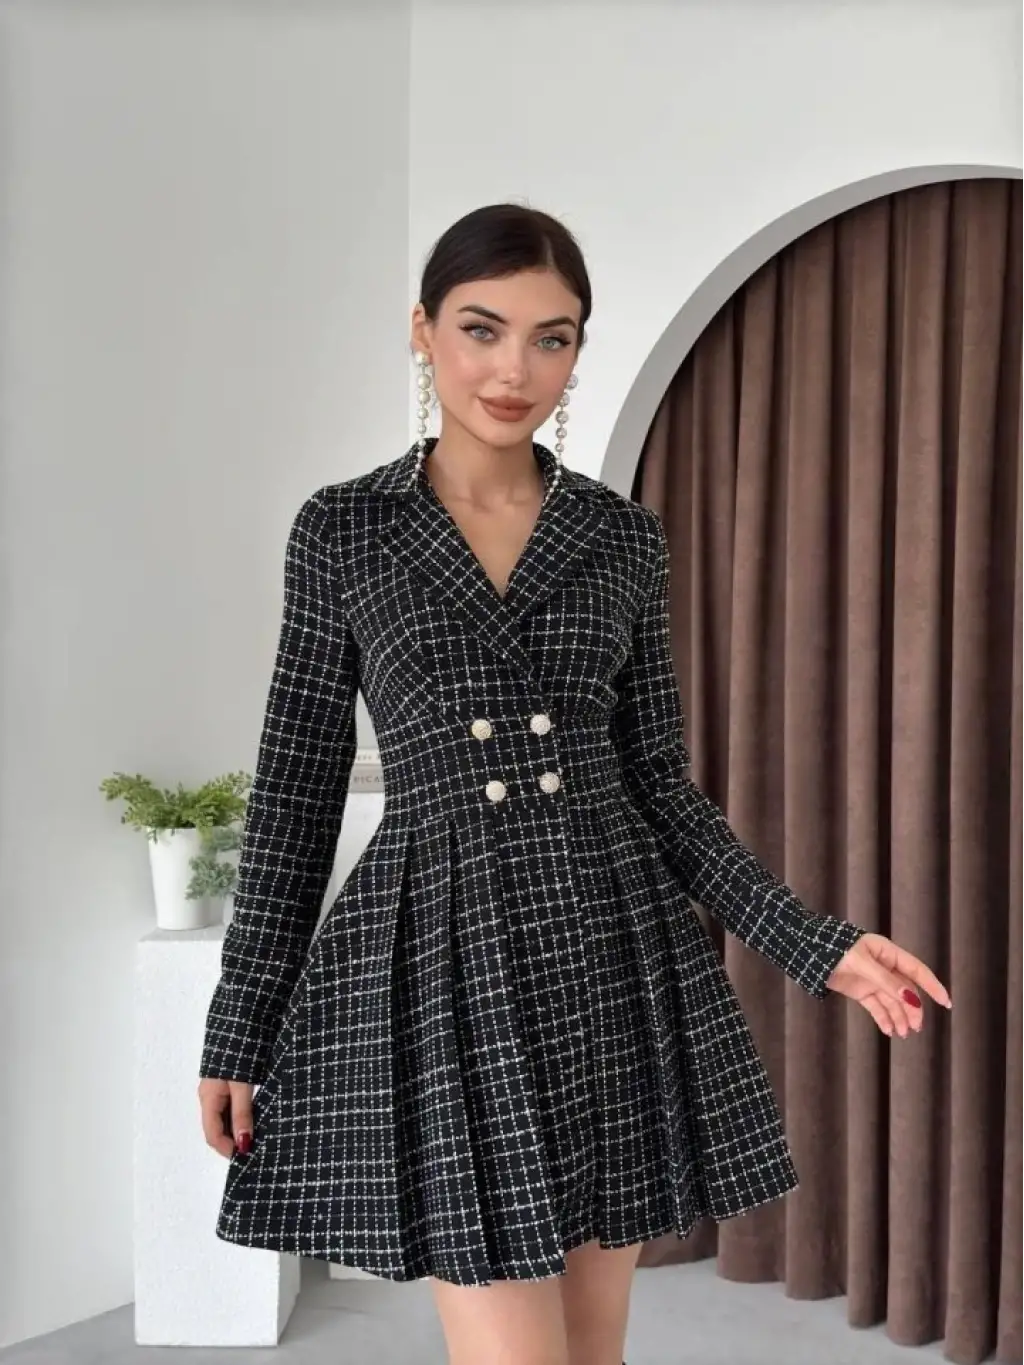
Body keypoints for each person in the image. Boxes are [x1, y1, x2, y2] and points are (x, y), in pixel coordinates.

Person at [197, 203, 952, 1365]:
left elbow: (660, 788)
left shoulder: (619, 537)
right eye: (481, 329)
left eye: (550, 338)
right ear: (422, 331)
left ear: (576, 353)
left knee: (593, 1354)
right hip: (445, 966)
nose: (514, 370)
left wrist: (820, 945)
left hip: (609, 955)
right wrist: (240, 1029)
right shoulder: (345, 530)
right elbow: (295, 791)